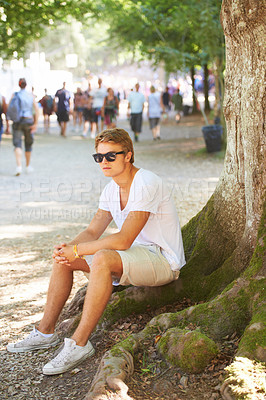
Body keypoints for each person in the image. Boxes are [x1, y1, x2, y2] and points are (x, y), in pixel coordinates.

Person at [7, 128, 186, 376]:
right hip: (134, 256)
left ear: (128, 155)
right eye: (99, 157)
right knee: (65, 260)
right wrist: (67, 250)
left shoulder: (146, 182)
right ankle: (45, 332)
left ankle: (79, 344)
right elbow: (92, 231)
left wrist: (78, 250)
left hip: (162, 260)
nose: (104, 162)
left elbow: (123, 240)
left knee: (101, 256)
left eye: (111, 156)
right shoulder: (111, 190)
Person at [8, 78, 38, 176]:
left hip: (17, 121)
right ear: (26, 85)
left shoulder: (15, 95)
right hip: (28, 120)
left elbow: (9, 108)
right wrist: (36, 123)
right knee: (28, 144)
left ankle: (19, 166)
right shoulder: (30, 95)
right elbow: (36, 110)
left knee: (17, 144)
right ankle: (28, 166)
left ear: (19, 84)